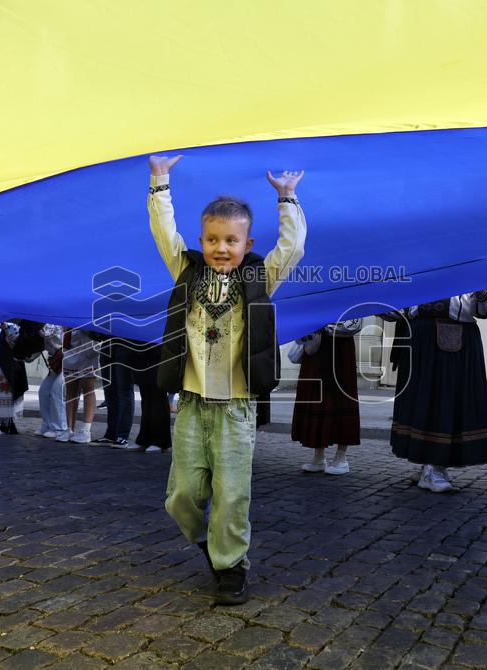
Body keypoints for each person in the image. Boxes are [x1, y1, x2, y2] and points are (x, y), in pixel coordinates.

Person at [149, 154, 306, 605]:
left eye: (231, 240)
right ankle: (209, 543)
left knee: (232, 495)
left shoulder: (259, 278)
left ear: (246, 242)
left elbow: (292, 248)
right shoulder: (187, 272)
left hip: (236, 409)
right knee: (180, 497)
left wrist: (287, 199)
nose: (221, 248)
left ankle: (230, 565)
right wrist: (160, 181)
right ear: (200, 241)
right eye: (213, 239)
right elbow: (164, 232)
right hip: (193, 405)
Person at [384, 289, 487, 493]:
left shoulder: (478, 260)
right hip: (419, 336)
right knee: (422, 401)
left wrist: (481, 292)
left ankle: (435, 466)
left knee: (447, 401)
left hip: (455, 337)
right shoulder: (417, 258)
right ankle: (428, 465)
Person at [291, 320, 362, 475]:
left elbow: (355, 324)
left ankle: (341, 457)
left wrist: (324, 327)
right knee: (317, 399)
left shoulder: (349, 296)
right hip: (317, 349)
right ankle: (318, 456)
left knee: (339, 399)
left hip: (340, 351)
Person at [132, 342, 172, 453]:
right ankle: (145, 439)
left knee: (157, 398)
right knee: (146, 398)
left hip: (157, 351)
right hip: (143, 351)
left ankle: (160, 441)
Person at [63, 328, 99, 444]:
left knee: (88, 389)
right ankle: (69, 428)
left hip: (86, 349)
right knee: (70, 391)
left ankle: (86, 430)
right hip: (70, 350)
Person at [36, 324, 68, 440]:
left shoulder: (55, 322)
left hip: (68, 358)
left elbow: (48, 334)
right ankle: (48, 424)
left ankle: (60, 428)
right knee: (43, 392)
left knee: (57, 390)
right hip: (56, 359)